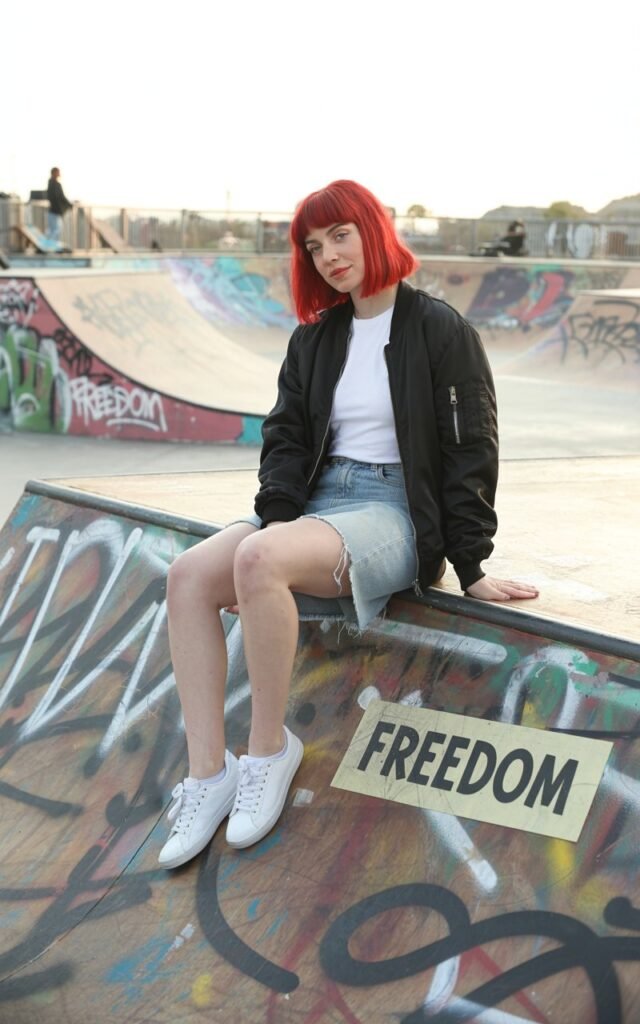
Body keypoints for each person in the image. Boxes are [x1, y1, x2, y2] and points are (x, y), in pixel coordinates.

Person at [158, 179, 539, 870]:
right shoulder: (317, 337)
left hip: (393, 512)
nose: (329, 254)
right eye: (313, 245)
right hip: (316, 500)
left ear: (373, 229)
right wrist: (277, 524)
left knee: (258, 562)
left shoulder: (438, 329)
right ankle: (208, 776)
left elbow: (470, 446)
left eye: (340, 235)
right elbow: (285, 439)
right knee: (188, 575)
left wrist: (471, 563)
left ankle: (268, 753)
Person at [46, 167, 72, 242]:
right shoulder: (54, 184)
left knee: (53, 230)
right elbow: (60, 197)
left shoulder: (52, 183)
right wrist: (68, 205)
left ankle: (49, 247)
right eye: (58, 172)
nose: (59, 174)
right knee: (55, 231)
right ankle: (51, 247)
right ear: (54, 173)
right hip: (55, 211)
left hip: (54, 211)